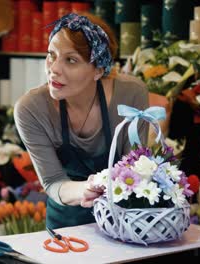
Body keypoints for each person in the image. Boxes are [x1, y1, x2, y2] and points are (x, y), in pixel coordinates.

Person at [14, 13, 148, 229]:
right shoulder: (31, 109)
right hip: (66, 226)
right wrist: (86, 189)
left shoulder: (131, 95)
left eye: (71, 60)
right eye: (51, 55)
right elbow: (53, 182)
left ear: (98, 70)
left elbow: (137, 166)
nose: (53, 69)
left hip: (123, 218)